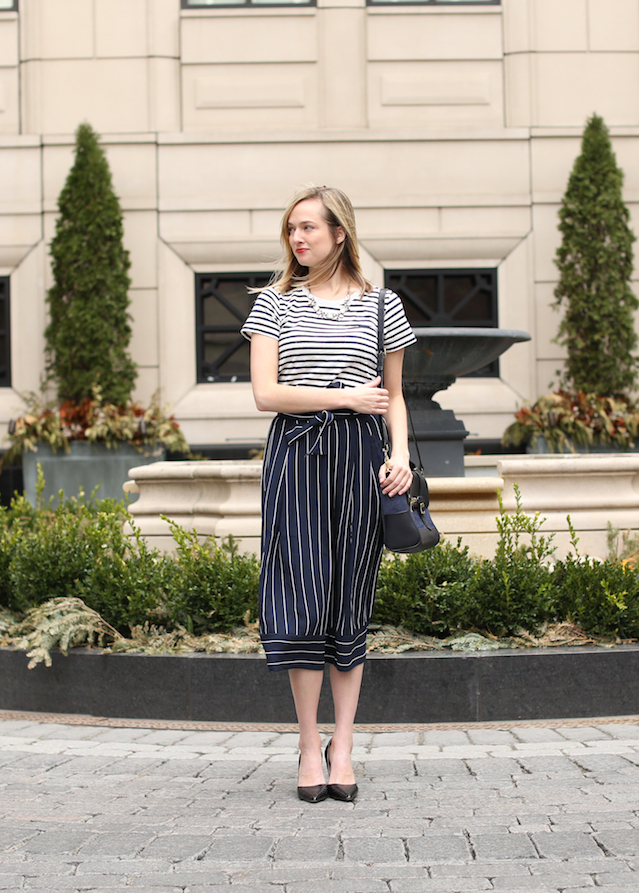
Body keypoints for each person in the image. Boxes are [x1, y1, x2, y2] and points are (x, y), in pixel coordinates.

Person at [240, 184, 416, 803]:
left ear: (340, 233)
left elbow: (394, 395)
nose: (298, 239)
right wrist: (342, 395)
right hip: (298, 456)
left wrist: (400, 457)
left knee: (350, 595)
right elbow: (267, 394)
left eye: (309, 228)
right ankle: (307, 744)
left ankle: (343, 745)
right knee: (300, 594)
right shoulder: (273, 305)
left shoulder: (380, 306)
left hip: (364, 459)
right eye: (292, 229)